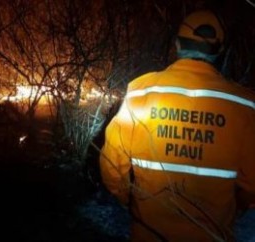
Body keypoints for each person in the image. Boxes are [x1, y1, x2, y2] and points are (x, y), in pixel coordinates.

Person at [99, 9, 255, 242]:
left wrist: (128, 199)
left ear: (177, 45)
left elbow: (112, 166)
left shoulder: (140, 92)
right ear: (219, 51)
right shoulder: (244, 104)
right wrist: (236, 207)